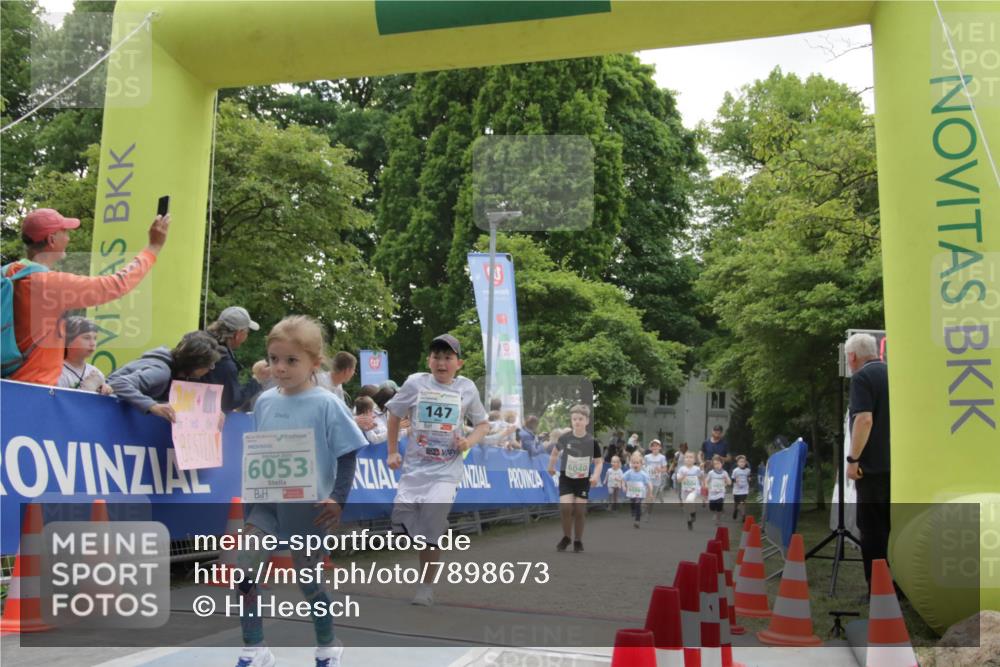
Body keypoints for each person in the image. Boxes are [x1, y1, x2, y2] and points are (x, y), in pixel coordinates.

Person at [233, 316, 367, 667]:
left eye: (291, 360)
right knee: (244, 569)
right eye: (274, 358)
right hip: (265, 506)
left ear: (314, 362)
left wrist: (337, 498)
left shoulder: (327, 403)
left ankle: (327, 643)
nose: (280, 367)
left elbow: (348, 452)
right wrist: (250, 505)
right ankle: (254, 646)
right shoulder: (263, 402)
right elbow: (260, 451)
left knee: (309, 580)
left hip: (308, 508)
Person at [3, 208, 170, 385]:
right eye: (65, 232)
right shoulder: (48, 283)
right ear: (52, 240)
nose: (68, 238)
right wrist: (153, 247)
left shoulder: (7, 273)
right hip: (35, 387)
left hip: (7, 382)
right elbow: (116, 284)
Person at [385, 334, 489, 607]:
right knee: (404, 522)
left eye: (448, 357)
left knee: (432, 522)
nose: (441, 363)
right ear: (429, 361)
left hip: (447, 468)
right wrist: (392, 451)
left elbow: (483, 425)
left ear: (459, 363)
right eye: (436, 357)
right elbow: (394, 413)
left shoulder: (467, 389)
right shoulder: (415, 383)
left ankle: (425, 586)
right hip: (415, 468)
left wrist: (468, 442)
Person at [845, 332, 891, 590]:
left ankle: (877, 588)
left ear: (852, 357)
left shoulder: (862, 378)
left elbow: (864, 419)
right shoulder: (895, 375)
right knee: (893, 529)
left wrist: (853, 459)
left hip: (871, 468)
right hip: (899, 466)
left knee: (872, 530)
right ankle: (899, 585)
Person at [106, 331, 223, 422]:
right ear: (196, 365)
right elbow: (118, 383)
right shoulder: (161, 372)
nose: (209, 369)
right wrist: (153, 406)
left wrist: (212, 411)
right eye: (209, 365)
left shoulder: (176, 372)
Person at [547, 404, 602, 553]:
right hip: (566, 477)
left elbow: (598, 462)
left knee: (579, 510)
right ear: (571, 421)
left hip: (583, 480)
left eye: (580, 419)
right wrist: (551, 466)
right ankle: (566, 537)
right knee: (565, 507)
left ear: (587, 421)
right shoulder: (565, 438)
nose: (577, 421)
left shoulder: (592, 441)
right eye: (574, 419)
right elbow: (554, 453)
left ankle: (578, 540)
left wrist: (596, 476)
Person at [200, 306, 262, 411]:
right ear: (238, 334)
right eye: (247, 332)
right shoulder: (224, 363)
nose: (246, 337)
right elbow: (231, 402)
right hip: (203, 422)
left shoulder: (193, 344)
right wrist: (257, 379)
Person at [57, 316, 113, 394]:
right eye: (86, 338)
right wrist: (87, 389)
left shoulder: (96, 372)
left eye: (95, 338)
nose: (93, 343)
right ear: (68, 341)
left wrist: (106, 391)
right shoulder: (58, 372)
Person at [622, 453, 652, 529]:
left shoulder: (643, 474)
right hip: (631, 492)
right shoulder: (629, 472)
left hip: (640, 493)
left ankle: (637, 521)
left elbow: (649, 484)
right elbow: (623, 479)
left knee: (637, 504)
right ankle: (634, 511)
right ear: (631, 464)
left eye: (637, 463)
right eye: (633, 463)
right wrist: (623, 486)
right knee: (633, 503)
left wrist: (650, 492)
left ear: (641, 464)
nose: (635, 464)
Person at [676, 451, 704, 530]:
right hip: (685, 490)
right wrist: (683, 477)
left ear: (694, 460)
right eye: (687, 457)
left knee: (690, 500)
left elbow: (701, 477)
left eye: (691, 457)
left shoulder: (697, 469)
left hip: (694, 489)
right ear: (684, 459)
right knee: (686, 508)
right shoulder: (681, 469)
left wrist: (702, 470)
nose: (689, 459)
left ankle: (693, 514)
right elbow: (678, 480)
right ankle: (690, 521)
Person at [643, 439, 668, 513]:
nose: (655, 447)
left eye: (656, 446)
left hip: (657, 479)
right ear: (650, 448)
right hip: (648, 478)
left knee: (653, 495)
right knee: (648, 492)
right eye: (653, 446)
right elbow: (644, 466)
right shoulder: (647, 457)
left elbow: (665, 469)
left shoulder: (662, 457)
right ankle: (645, 507)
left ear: (660, 447)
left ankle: (649, 509)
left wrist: (659, 470)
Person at [706, 455, 732, 524]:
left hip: (721, 492)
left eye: (718, 463)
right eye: (715, 464)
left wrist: (728, 482)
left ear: (722, 463)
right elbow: (706, 481)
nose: (717, 465)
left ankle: (718, 519)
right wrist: (707, 486)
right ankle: (716, 513)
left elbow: (729, 482)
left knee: (719, 505)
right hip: (712, 493)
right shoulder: (711, 473)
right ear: (713, 465)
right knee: (712, 507)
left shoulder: (724, 473)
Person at [731, 455, 752, 521]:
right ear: (737, 463)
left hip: (744, 489)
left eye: (743, 462)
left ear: (745, 463)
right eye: (740, 462)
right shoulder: (735, 470)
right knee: (736, 503)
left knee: (743, 502)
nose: (742, 463)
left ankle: (743, 515)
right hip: (736, 489)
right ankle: (735, 510)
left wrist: (749, 479)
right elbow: (732, 479)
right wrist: (735, 480)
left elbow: (749, 477)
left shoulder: (748, 470)